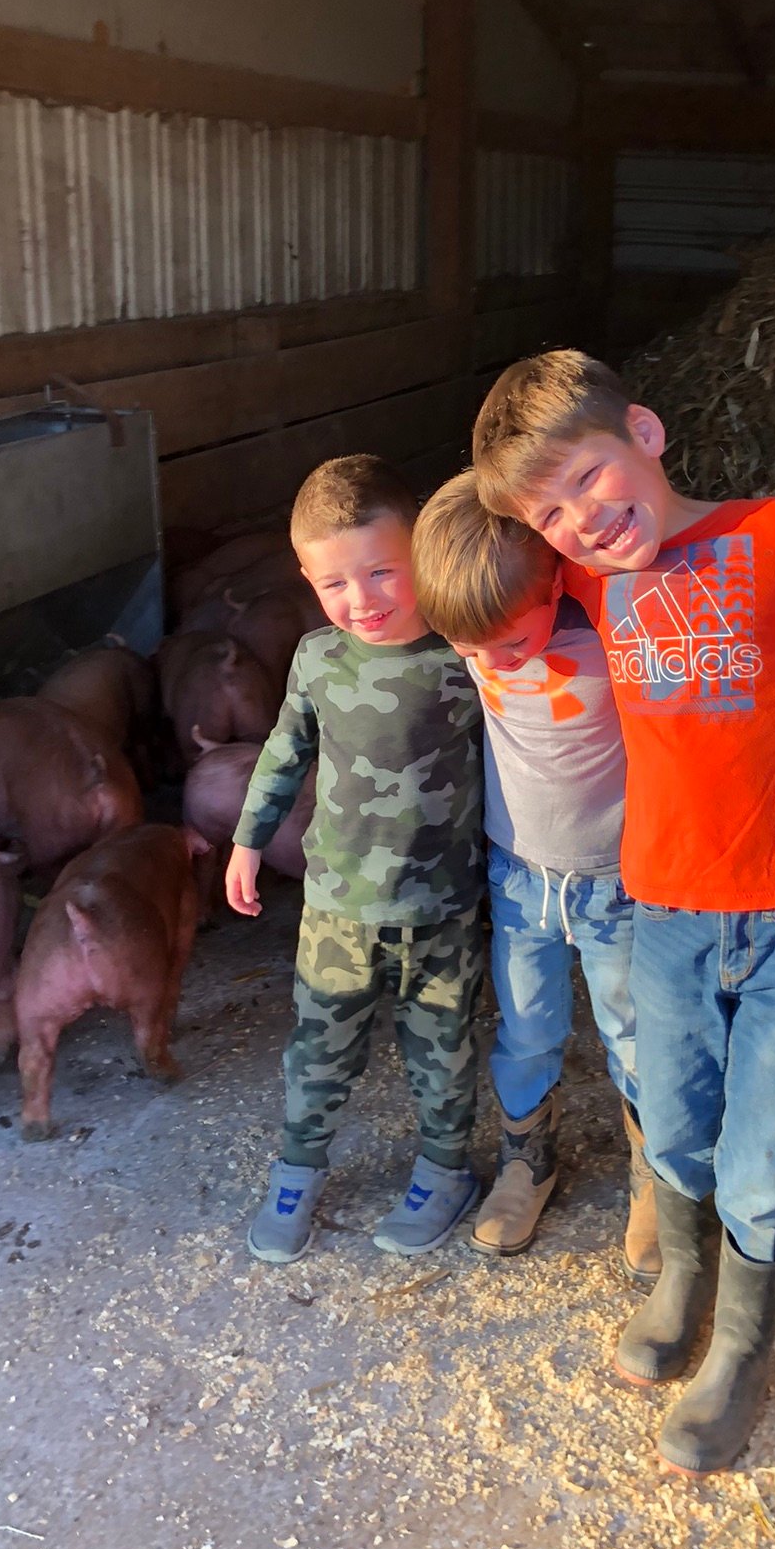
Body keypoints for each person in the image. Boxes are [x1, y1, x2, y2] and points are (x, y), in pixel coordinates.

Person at [472, 350, 775, 1474]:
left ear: (645, 429)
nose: (583, 518)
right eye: (553, 512)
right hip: (663, 908)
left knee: (770, 1145)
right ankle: (681, 1274)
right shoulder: (580, 582)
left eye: (588, 475)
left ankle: (741, 1348)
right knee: (669, 1114)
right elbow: (469, 561)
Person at [226, 454, 484, 1263]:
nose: (362, 601)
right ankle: (298, 1170)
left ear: (424, 556)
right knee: (318, 1048)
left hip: (443, 905)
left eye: (383, 572)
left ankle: (445, 1172)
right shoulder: (316, 659)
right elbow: (282, 751)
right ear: (305, 576)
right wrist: (246, 840)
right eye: (335, 584)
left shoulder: (468, 656)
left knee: (443, 1049)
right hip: (337, 906)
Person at [411, 470, 657, 1279]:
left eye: (509, 643)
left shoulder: (614, 635)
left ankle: (654, 1178)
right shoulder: (477, 627)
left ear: (557, 582)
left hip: (615, 880)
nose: (489, 660)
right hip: (520, 877)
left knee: (631, 1029)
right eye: (468, 647)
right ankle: (527, 1162)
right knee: (526, 1027)